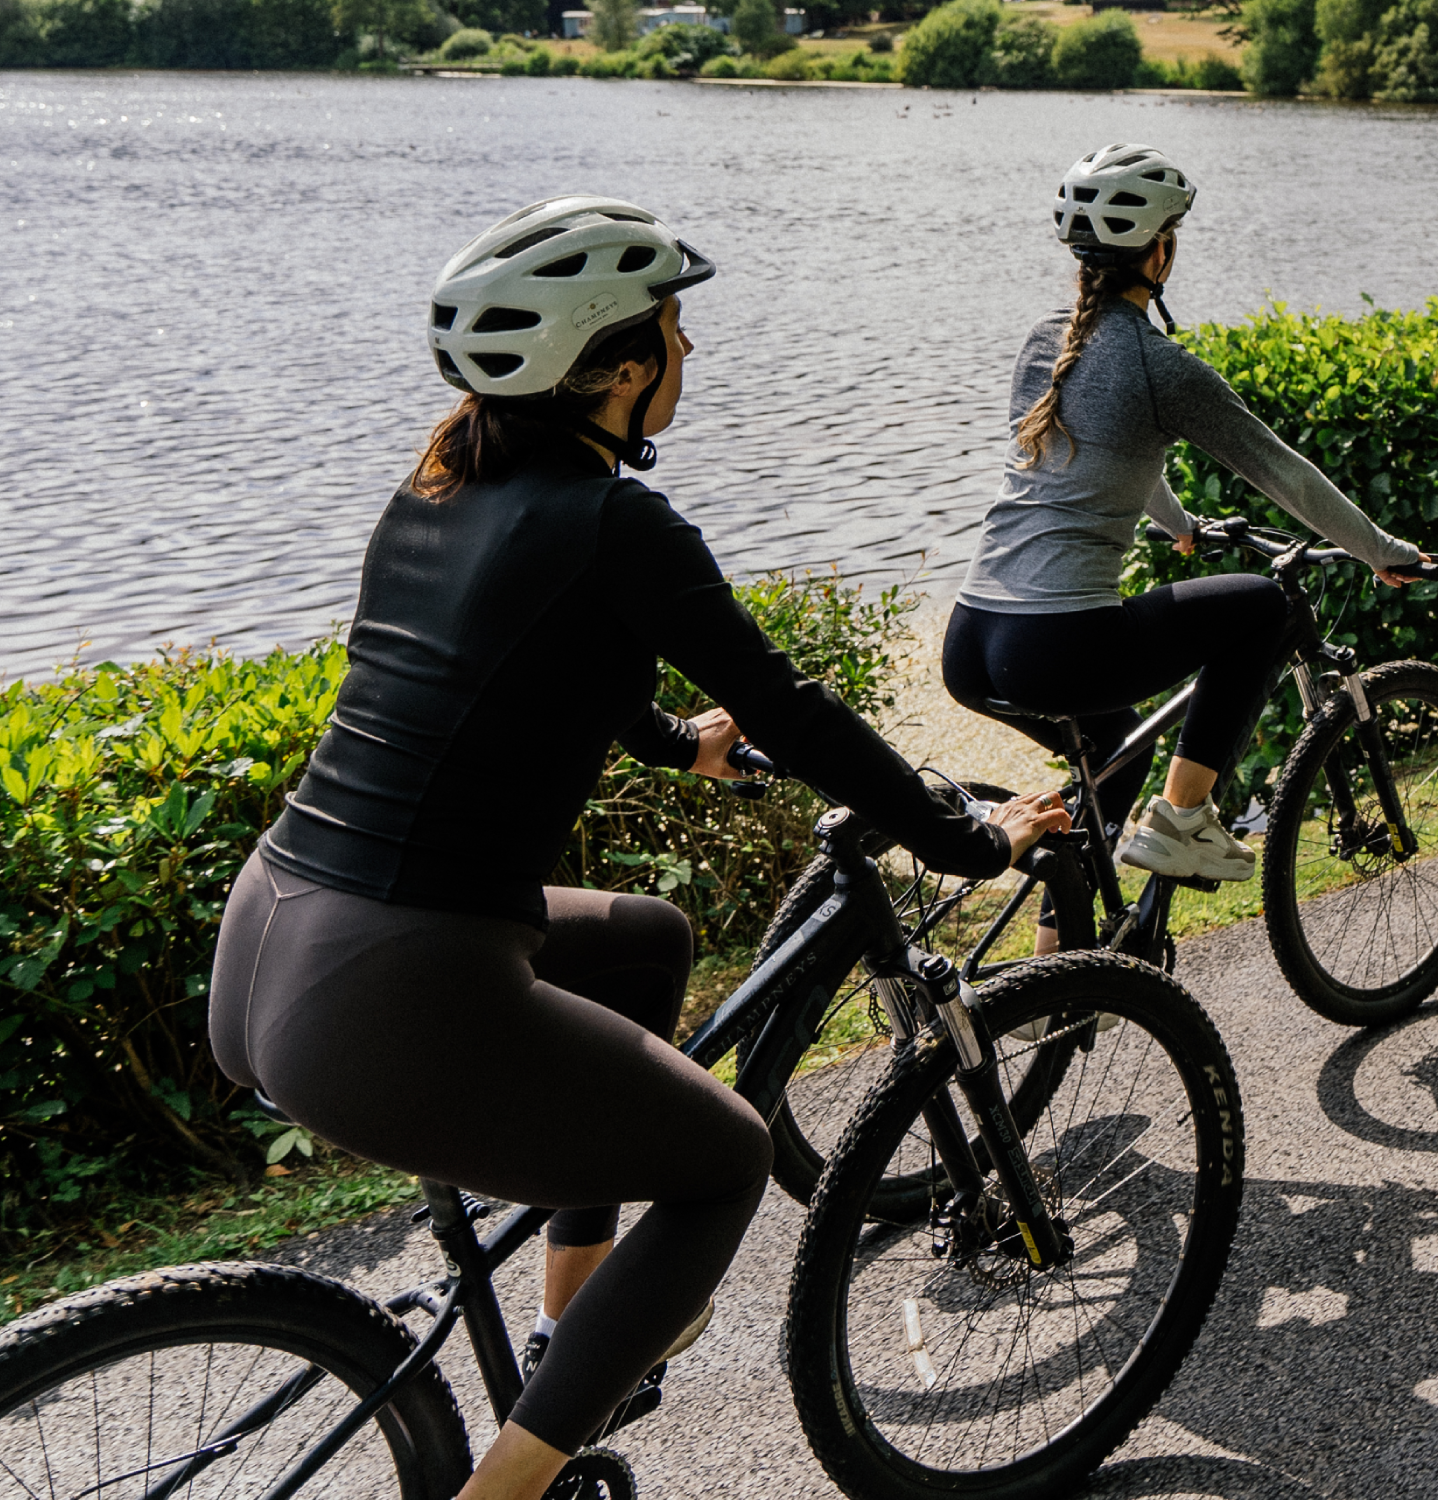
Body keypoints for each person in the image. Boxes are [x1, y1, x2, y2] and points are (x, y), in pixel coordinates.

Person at [207, 196, 1066, 1500]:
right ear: (614, 368)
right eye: (674, 327)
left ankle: (574, 1315)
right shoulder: (617, 522)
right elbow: (796, 707)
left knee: (647, 943)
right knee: (723, 1156)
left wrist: (675, 745)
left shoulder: (442, 485)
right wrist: (963, 837)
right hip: (393, 988)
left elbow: (511, 661)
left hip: (272, 935)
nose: (688, 351)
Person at [946, 143, 1426, 921]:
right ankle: (1183, 820)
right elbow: (1287, 475)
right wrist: (1384, 550)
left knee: (1116, 755)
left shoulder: (1044, 339)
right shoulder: (1160, 366)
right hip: (1054, 644)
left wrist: (1182, 525)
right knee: (1264, 607)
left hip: (971, 641)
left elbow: (1094, 458)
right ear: (1160, 251)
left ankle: (1052, 999)